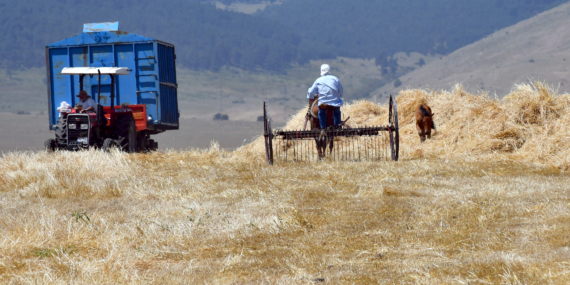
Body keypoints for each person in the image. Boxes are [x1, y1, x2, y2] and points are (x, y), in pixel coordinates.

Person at [307, 64, 344, 129]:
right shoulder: (335, 79)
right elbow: (341, 92)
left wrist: (311, 97)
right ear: (329, 70)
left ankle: (323, 128)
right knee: (337, 111)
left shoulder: (318, 80)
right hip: (335, 103)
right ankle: (338, 126)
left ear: (321, 71)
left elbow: (311, 92)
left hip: (323, 103)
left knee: (322, 112)